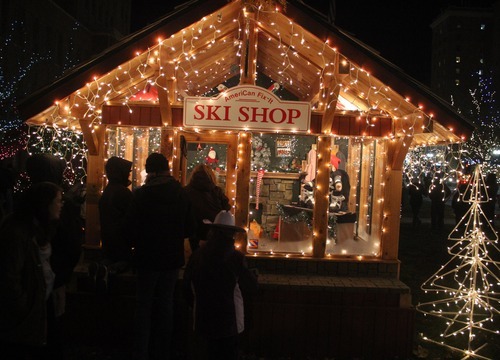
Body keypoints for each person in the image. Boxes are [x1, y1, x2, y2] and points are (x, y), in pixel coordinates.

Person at [124, 152, 195, 360]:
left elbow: (129, 228)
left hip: (146, 257)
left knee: (143, 305)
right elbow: (189, 228)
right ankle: (163, 351)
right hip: (171, 258)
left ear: (151, 171)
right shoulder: (181, 194)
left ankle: (141, 352)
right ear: (167, 169)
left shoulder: (141, 194)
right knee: (166, 304)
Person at [0, 181, 64, 360]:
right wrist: (24, 306)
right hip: (26, 314)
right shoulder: (18, 232)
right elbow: (9, 276)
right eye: (58, 201)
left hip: (38, 304)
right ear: (45, 204)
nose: (61, 205)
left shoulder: (41, 229)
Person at [183, 210, 258, 360]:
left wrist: (195, 305)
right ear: (232, 234)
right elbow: (250, 285)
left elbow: (186, 286)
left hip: (203, 318)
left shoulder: (197, 255)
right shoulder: (236, 258)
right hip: (229, 321)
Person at [97, 156, 134, 279]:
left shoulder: (109, 190)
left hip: (108, 240)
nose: (129, 175)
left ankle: (102, 270)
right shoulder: (123, 192)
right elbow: (131, 218)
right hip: (121, 241)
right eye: (128, 172)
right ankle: (111, 270)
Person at [184, 164, 231, 252]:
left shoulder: (186, 191)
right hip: (214, 233)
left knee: (196, 259)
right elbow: (227, 208)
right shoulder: (217, 191)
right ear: (211, 176)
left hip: (194, 234)